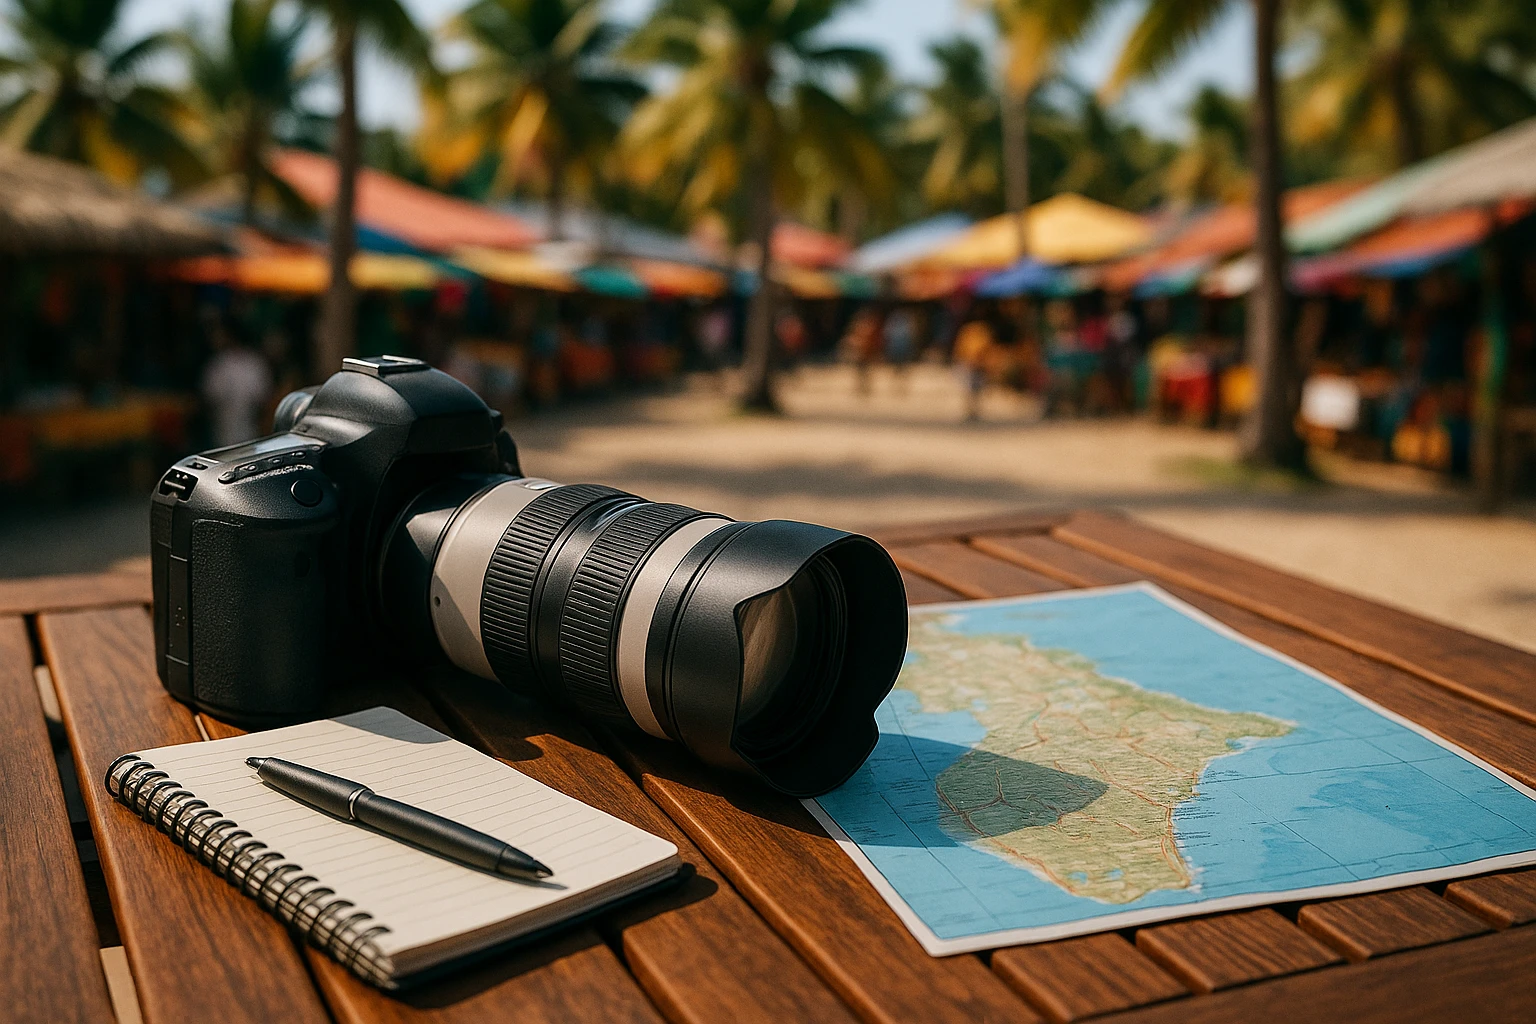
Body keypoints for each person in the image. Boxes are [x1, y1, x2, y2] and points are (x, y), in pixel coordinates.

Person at [201, 325, 273, 447]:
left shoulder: (255, 363)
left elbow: (262, 396)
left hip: (252, 432)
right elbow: (209, 396)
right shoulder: (218, 364)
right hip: (222, 430)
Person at [952, 316, 996, 421]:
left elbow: (986, 350)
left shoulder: (982, 333)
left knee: (975, 390)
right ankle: (971, 410)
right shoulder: (972, 332)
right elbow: (962, 349)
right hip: (970, 365)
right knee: (971, 389)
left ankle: (973, 410)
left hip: (977, 366)